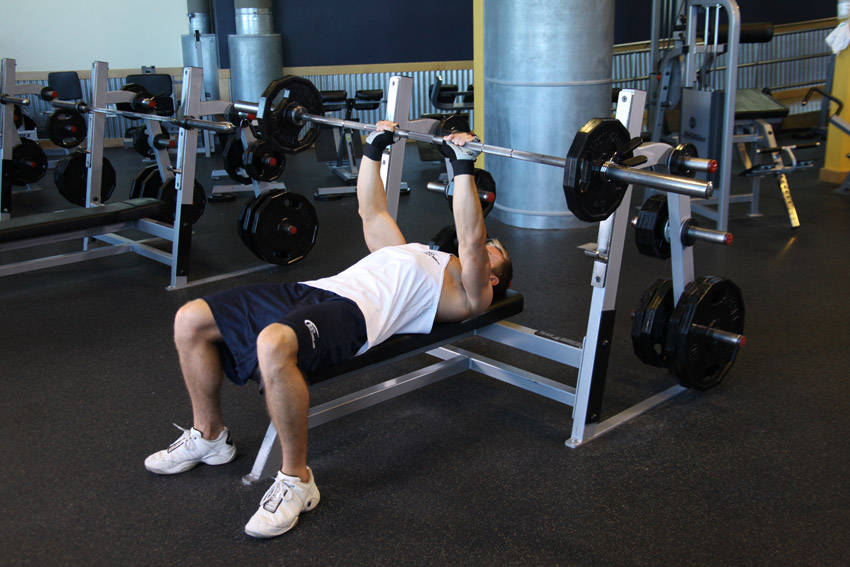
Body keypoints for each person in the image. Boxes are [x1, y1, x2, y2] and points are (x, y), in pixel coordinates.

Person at [143, 122, 513, 538]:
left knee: (273, 342)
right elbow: (371, 212)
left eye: (493, 252)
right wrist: (374, 149)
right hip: (315, 290)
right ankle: (209, 436)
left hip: (356, 316)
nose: (487, 247)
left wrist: (462, 166)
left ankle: (297, 481)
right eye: (490, 245)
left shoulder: (471, 294)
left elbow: (470, 235)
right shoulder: (412, 251)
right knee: (191, 318)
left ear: (494, 278)